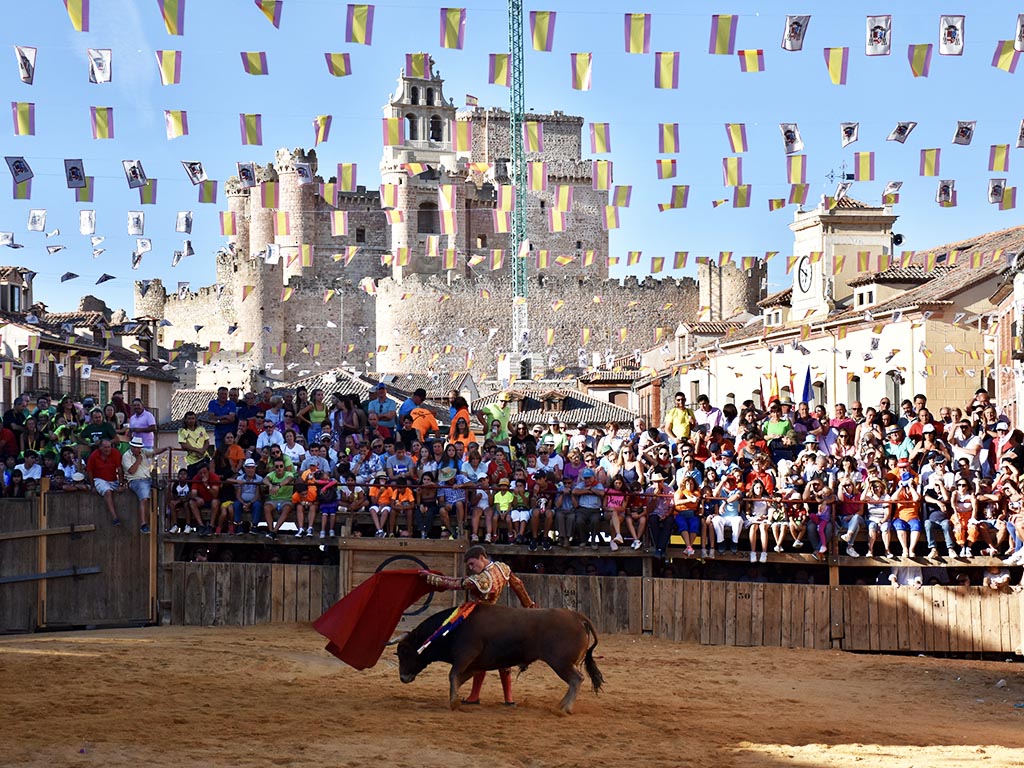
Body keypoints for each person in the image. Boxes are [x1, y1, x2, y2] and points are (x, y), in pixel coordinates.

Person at [422, 545, 536, 706]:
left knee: (479, 657)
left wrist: (430, 578)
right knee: (503, 658)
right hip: (500, 616)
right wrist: (529, 606)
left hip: (481, 621)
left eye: (472, 564)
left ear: (482, 557)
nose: (470, 568)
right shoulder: (502, 568)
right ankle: (508, 699)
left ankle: (475, 696)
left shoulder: (482, 579)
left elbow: (456, 584)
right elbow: (518, 584)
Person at [122, 436, 162, 533]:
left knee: (163, 487)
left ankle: (162, 517)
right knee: (144, 498)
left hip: (147, 478)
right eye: (134, 447)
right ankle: (143, 524)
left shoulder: (143, 452)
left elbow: (154, 451)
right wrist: (138, 461)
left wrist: (165, 448)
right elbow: (131, 471)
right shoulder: (126, 456)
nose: (136, 449)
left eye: (138, 447)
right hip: (136, 480)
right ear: (131, 447)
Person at [85, 438, 123, 525]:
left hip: (113, 479)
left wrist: (121, 483)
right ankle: (115, 517)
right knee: (107, 491)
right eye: (105, 447)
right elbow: (89, 472)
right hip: (99, 479)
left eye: (109, 447)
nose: (107, 449)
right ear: (100, 448)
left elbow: (120, 469)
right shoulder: (93, 456)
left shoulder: (116, 453)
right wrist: (93, 486)